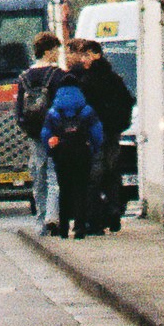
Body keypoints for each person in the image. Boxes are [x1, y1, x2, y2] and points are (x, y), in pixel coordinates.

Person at [69, 35, 134, 235]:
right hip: (113, 132)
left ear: (97, 55)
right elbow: (128, 101)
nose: (83, 60)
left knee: (93, 175)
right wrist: (119, 124)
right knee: (112, 171)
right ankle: (114, 209)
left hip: (95, 133)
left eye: (87, 56)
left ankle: (94, 220)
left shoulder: (86, 81)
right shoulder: (114, 78)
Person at [39, 60, 104, 238]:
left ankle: (63, 228)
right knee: (81, 189)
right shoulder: (86, 109)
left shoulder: (54, 111)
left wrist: (51, 149)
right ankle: (80, 227)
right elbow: (97, 133)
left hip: (62, 154)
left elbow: (45, 134)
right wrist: (93, 149)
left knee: (64, 190)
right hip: (82, 153)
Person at [14, 28, 64, 229]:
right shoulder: (57, 75)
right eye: (56, 50)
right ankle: (52, 216)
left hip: (34, 133)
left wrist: (26, 128)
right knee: (54, 175)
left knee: (38, 176)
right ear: (48, 51)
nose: (58, 53)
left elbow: (18, 109)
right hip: (54, 132)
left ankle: (41, 220)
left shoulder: (24, 77)